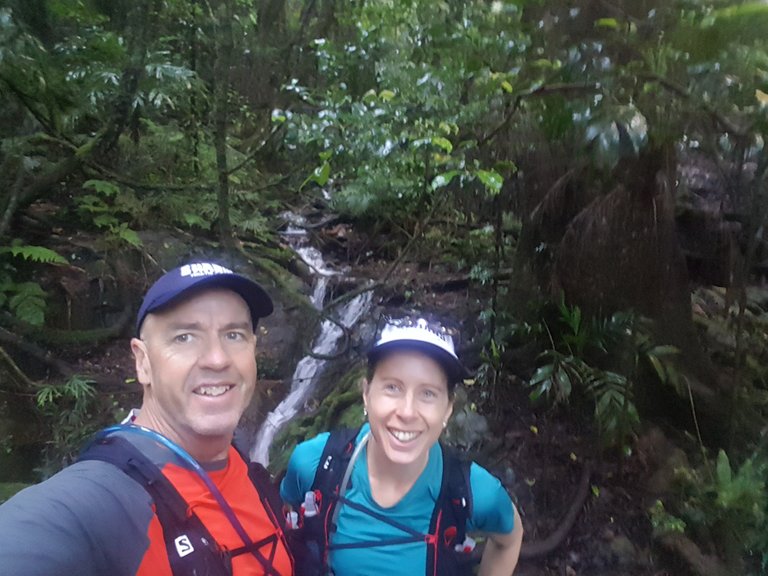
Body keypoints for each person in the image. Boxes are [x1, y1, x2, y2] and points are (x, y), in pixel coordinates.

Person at [0, 261, 294, 576]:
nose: (217, 358)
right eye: (185, 337)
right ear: (142, 363)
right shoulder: (107, 499)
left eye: (233, 335)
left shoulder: (250, 473)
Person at [280, 317, 523, 576]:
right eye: (392, 387)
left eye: (428, 393)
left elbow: (509, 539)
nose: (407, 412)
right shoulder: (315, 464)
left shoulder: (472, 492)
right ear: (366, 393)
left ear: (448, 409)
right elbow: (285, 526)